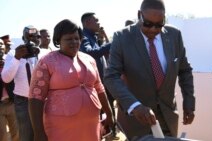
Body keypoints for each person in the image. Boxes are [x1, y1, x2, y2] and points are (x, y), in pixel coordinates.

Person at [104, 0, 195, 140]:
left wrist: (189, 101)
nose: (153, 29)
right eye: (148, 24)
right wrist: (134, 106)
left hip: (168, 116)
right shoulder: (122, 37)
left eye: (159, 25)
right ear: (139, 15)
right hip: (137, 120)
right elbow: (111, 76)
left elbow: (184, 70)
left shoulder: (174, 35)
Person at [28, 19, 114, 141]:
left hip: (91, 126)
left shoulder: (89, 60)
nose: (74, 42)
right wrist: (38, 132)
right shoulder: (46, 62)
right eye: (69, 39)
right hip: (60, 128)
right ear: (58, 40)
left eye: (77, 38)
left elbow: (99, 88)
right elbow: (35, 98)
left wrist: (109, 114)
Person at [80, 12, 119, 140]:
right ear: (87, 23)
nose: (99, 23)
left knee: (108, 111)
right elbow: (90, 53)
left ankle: (110, 134)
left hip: (103, 83)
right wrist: (112, 43)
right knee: (99, 116)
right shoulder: (84, 38)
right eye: (96, 20)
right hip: (94, 86)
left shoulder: (93, 37)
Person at [1, 25, 41, 141]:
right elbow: (6, 78)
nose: (34, 39)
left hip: (43, 100)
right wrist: (17, 58)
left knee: (44, 133)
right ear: (24, 38)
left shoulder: (43, 53)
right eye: (31, 36)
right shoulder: (13, 53)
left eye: (37, 36)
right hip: (23, 102)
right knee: (26, 135)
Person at [0, 39, 19, 141]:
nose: (0, 46)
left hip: (11, 102)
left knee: (16, 133)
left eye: (2, 44)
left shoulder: (9, 60)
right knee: (2, 136)